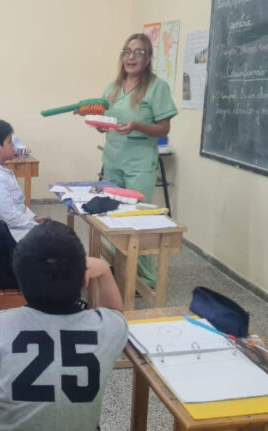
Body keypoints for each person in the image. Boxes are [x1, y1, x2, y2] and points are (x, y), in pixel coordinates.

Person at [0, 220, 127, 430]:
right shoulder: (106, 328)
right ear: (84, 281)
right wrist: (105, 270)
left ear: (19, 284)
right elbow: (116, 312)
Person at [97, 33, 177, 288]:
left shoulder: (157, 87)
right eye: (127, 52)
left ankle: (145, 277)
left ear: (148, 58)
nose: (132, 57)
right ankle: (120, 267)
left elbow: (164, 129)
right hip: (113, 159)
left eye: (139, 52)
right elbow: (108, 119)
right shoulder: (113, 87)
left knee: (136, 219)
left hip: (139, 164)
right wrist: (100, 124)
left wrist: (138, 126)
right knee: (112, 215)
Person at [0, 119, 44, 242]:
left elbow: (16, 206)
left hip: (17, 226)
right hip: (13, 237)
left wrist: (33, 218)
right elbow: (9, 218)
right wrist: (35, 225)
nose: (14, 146)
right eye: (10, 142)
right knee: (61, 241)